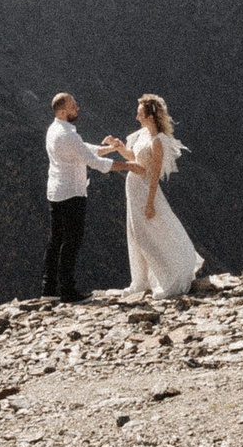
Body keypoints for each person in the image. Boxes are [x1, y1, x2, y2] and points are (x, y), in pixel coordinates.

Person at [103, 93, 202, 299]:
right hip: (134, 191)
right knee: (135, 235)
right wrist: (119, 147)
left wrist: (150, 203)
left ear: (150, 116)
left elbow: (153, 174)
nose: (137, 117)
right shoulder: (142, 135)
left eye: (140, 113)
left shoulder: (158, 141)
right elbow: (133, 156)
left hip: (146, 192)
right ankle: (140, 281)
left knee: (148, 237)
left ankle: (167, 279)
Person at [43, 92, 130, 303]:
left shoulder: (54, 130)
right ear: (63, 112)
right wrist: (129, 166)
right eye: (73, 106)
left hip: (56, 192)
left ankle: (49, 289)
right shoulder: (68, 136)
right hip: (72, 194)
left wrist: (111, 149)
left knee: (56, 241)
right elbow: (94, 163)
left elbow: (84, 150)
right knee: (71, 243)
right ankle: (68, 291)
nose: (78, 108)